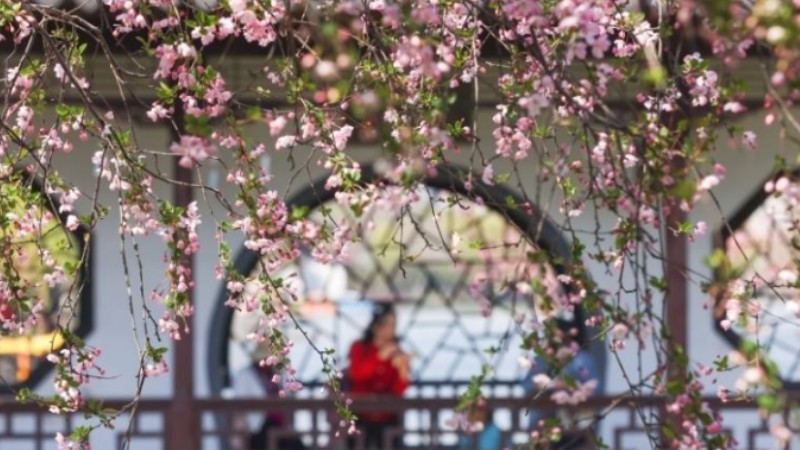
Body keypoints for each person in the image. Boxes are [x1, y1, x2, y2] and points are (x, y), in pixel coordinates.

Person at [346, 303, 410, 449]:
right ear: (376, 326)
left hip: (387, 416)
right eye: (386, 325)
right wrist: (379, 357)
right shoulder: (359, 347)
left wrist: (403, 370)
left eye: (392, 326)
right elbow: (357, 374)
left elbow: (400, 389)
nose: (389, 330)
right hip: (361, 414)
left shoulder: (397, 351)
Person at [229, 358, 306, 450]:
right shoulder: (245, 375)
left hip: (280, 425)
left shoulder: (278, 374)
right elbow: (239, 408)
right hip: (258, 428)